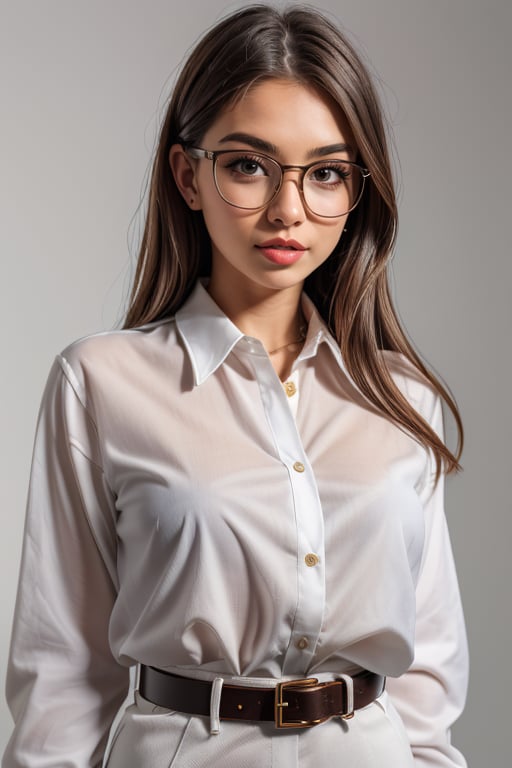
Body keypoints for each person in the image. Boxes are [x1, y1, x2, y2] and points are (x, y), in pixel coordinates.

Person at [3, 4, 468, 767]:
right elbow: (61, 675)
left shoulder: (401, 398)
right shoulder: (100, 384)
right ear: (189, 175)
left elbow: (429, 671)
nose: (289, 210)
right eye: (250, 165)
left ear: (356, 191)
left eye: (325, 173)